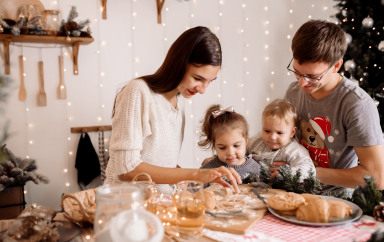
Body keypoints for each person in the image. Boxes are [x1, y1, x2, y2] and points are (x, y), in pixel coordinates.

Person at [105, 26, 242, 192]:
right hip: (127, 207)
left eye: (210, 81)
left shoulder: (179, 102)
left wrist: (203, 175)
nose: (203, 89)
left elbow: (161, 164)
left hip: (161, 205)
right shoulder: (138, 91)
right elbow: (126, 168)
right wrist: (195, 175)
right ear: (178, 63)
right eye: (198, 78)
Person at [284, 20, 384, 191]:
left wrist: (311, 172)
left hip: (336, 202)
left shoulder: (357, 104)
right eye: (297, 72)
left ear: (336, 65)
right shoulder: (293, 92)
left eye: (312, 76)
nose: (302, 83)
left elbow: (377, 177)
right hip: (293, 190)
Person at [248, 99, 315, 179]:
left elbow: (309, 169)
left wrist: (288, 172)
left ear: (292, 132)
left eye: (279, 133)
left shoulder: (293, 151)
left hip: (281, 189)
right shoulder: (257, 141)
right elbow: (241, 149)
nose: (272, 137)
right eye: (267, 131)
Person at [199, 105, 260, 183]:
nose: (230, 152)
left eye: (236, 146)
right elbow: (195, 189)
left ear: (246, 141)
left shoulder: (256, 168)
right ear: (214, 146)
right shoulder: (209, 169)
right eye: (222, 147)